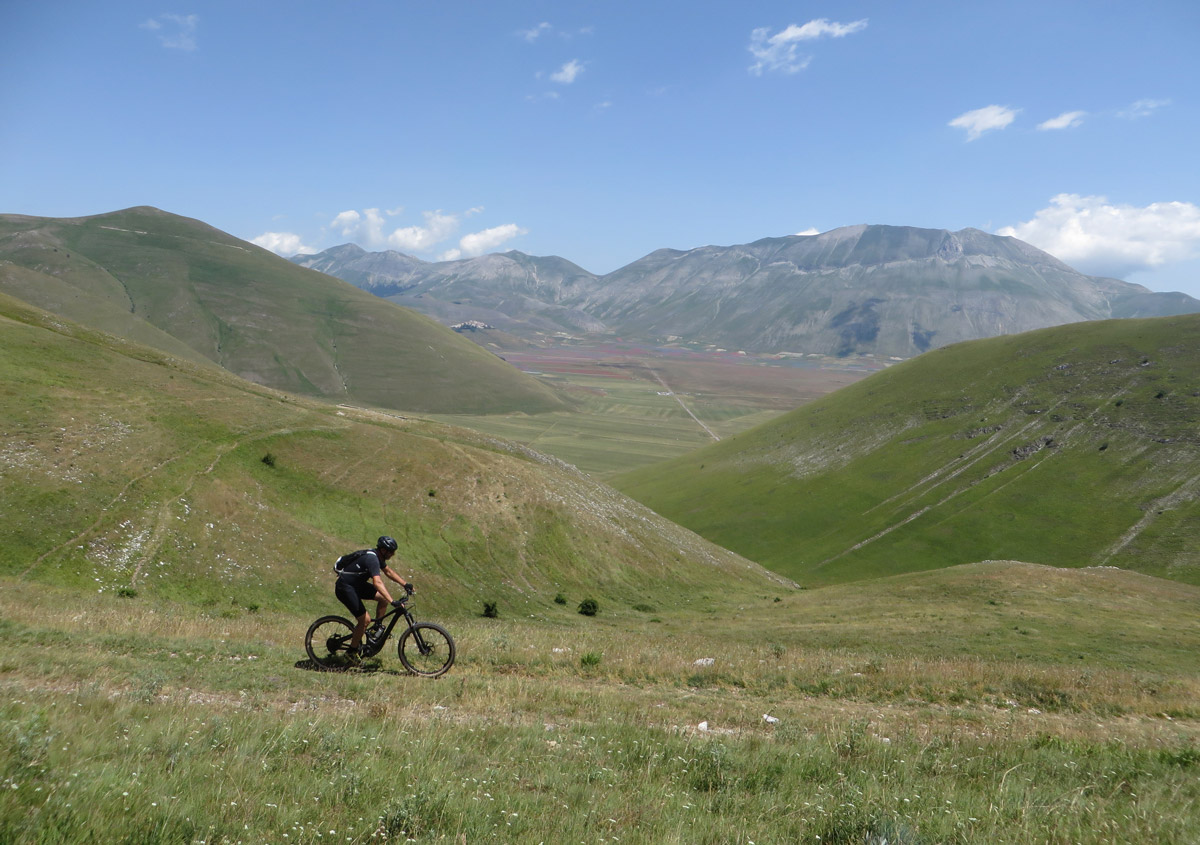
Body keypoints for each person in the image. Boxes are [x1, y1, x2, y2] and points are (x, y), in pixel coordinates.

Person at [334, 536, 414, 660]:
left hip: (357, 585)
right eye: (391, 551)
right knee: (364, 620)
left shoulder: (377, 556)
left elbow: (388, 572)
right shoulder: (372, 559)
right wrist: (392, 601)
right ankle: (351, 652)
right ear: (383, 550)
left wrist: (405, 584)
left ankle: (375, 628)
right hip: (345, 588)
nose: (393, 554)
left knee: (382, 598)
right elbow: (377, 583)